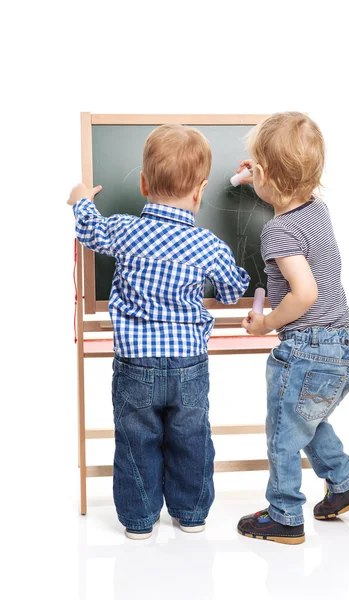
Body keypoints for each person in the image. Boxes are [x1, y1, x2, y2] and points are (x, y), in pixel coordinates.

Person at [68, 124, 250, 539]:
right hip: (189, 365)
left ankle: (138, 522)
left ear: (144, 183)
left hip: (134, 365)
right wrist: (238, 275)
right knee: (191, 440)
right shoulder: (209, 246)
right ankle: (190, 515)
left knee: (136, 441)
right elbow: (230, 291)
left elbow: (88, 230)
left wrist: (80, 200)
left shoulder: (124, 229)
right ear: (201, 191)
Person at [236, 112, 349, 545]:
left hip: (306, 348)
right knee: (307, 421)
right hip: (342, 345)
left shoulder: (277, 231)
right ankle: (346, 483)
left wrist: (265, 324)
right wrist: (251, 180)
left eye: (254, 167)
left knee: (283, 429)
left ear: (264, 175)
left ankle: (284, 515)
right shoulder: (317, 209)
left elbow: (304, 293)